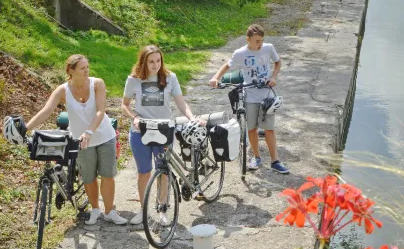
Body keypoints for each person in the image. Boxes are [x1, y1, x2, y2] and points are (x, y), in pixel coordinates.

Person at [23, 55, 127, 226]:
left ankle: (109, 212)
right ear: (71, 71)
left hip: (104, 136)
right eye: (82, 68)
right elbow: (46, 110)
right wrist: (26, 128)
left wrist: (88, 131)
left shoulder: (97, 84)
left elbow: (101, 111)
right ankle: (95, 209)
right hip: (81, 141)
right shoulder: (63, 90)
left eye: (87, 67)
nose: (87, 70)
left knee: (107, 176)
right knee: (89, 177)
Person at [121, 45, 200, 225]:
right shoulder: (133, 80)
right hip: (140, 131)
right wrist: (134, 116)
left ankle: (163, 208)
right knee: (143, 173)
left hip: (164, 130)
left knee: (163, 171)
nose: (155, 65)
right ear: (143, 62)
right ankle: (143, 210)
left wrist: (191, 117)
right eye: (151, 61)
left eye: (158, 60)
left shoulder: (170, 77)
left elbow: (181, 102)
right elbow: (124, 105)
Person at [209, 23, 289, 174]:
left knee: (269, 128)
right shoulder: (240, 53)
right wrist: (215, 77)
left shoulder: (268, 48)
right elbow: (227, 65)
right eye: (257, 41)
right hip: (250, 95)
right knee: (251, 128)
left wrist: (273, 77)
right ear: (248, 39)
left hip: (267, 94)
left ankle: (275, 161)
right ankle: (256, 157)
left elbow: (278, 62)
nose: (260, 44)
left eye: (262, 40)